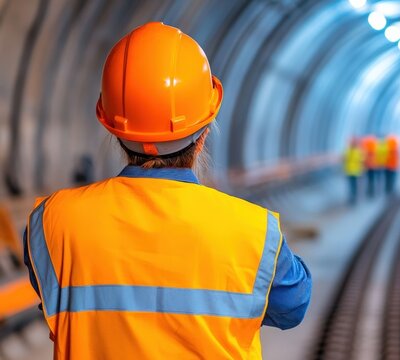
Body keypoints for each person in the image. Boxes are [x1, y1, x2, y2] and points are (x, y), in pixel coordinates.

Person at [22, 22, 311, 359]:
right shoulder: (254, 232)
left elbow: (51, 294)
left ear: (111, 126)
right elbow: (293, 305)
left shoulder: (53, 222)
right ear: (203, 133)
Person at [343, 137, 364, 205]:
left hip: (351, 171)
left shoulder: (349, 151)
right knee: (353, 185)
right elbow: (361, 161)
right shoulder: (358, 151)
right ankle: (353, 198)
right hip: (353, 171)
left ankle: (353, 198)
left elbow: (344, 159)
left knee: (352, 185)